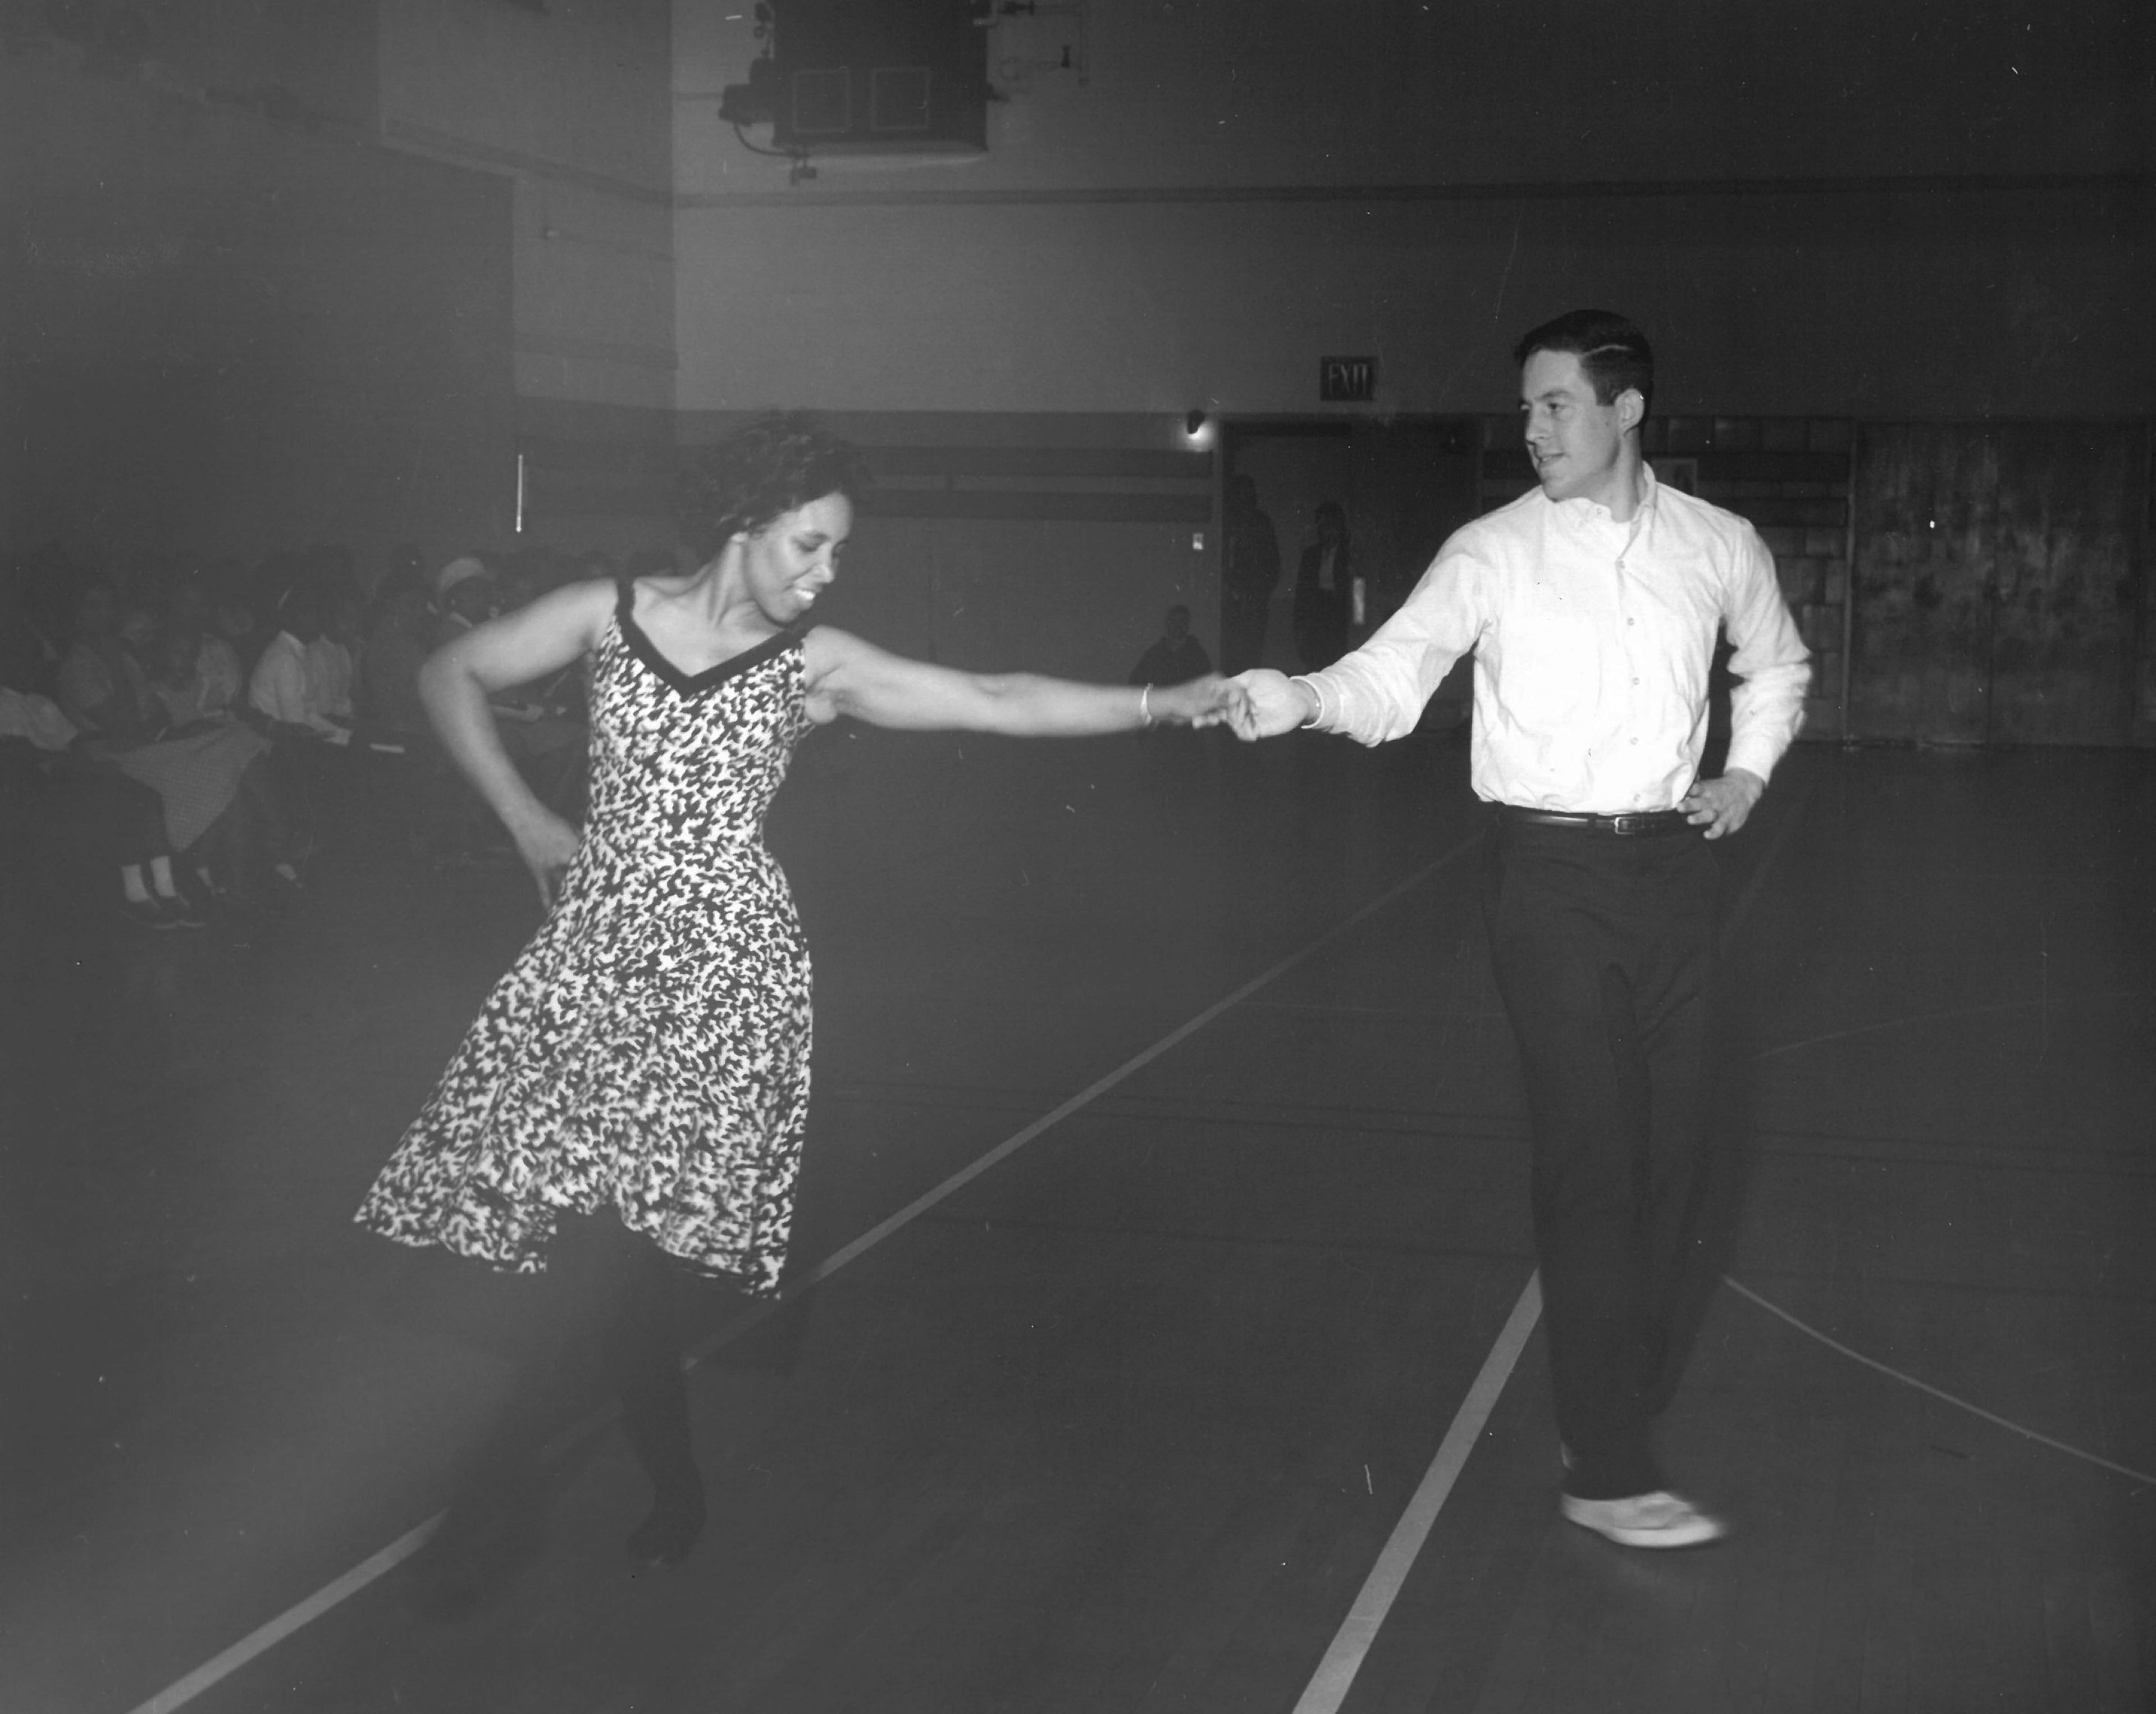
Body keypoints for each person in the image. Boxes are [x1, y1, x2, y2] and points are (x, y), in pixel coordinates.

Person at [353, 413, 1242, 1614]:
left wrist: (1162, 701)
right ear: (745, 522)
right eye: (810, 545)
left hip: (727, 978)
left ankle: (489, 1512)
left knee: (611, 1258)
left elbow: (994, 696)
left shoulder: (812, 665)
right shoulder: (604, 613)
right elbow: (445, 673)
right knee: (597, 1260)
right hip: (595, 963)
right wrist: (525, 819)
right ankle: (671, 1480)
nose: (827, 573)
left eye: (838, 552)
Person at [1229, 311, 1811, 1549]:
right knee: (1595, 1157)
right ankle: (1607, 1463)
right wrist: (1303, 697)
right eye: (1528, 410)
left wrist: (1749, 771)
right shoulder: (1491, 551)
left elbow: (1777, 666)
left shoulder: (1719, 544)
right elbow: (1392, 678)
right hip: (1546, 878)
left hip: (1676, 873)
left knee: (1685, 1167)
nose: (1534, 429)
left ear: (1626, 409)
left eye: (1555, 405)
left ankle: (1609, 1405)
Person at [1219, 473, 1281, 673]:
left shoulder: (1262, 523)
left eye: (1249, 493)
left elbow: (1272, 564)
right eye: (1241, 493)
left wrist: (1258, 593)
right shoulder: (1226, 521)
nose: (1245, 498)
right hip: (1229, 599)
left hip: (1255, 600)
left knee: (1252, 653)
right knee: (1229, 654)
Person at [1293, 502, 1356, 671]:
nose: (1327, 531)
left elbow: (1358, 593)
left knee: (1336, 662)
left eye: (1331, 526)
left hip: (1338, 614)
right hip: (1316, 614)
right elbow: (1302, 592)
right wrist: (1299, 624)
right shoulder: (1310, 555)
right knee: (1314, 661)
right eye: (1322, 527)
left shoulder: (1349, 554)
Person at [1127, 603, 1212, 689]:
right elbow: (1135, 682)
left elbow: (1208, 684)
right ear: (1168, 624)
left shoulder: (1198, 655)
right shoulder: (1153, 655)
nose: (1179, 625)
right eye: (1175, 621)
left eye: (1183, 621)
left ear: (1188, 624)